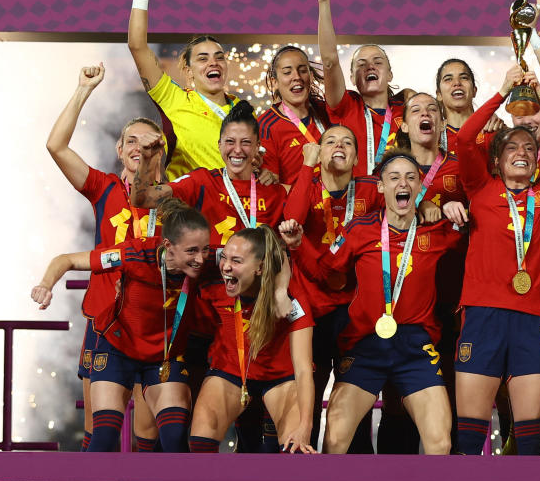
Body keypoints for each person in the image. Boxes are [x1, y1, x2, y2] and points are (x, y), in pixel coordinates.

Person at [452, 66, 540, 456]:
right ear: (496, 159)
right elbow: (463, 138)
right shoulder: (480, 187)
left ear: (538, 160)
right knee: (469, 440)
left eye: (529, 148)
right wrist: (502, 91)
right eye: (512, 147)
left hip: (532, 321)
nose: (522, 153)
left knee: (530, 442)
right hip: (482, 316)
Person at [306, 151, 462, 454]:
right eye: (394, 178)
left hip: (417, 346)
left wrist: (453, 209)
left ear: (419, 188)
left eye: (410, 177)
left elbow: (478, 240)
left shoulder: (437, 230)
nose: (402, 183)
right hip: (366, 343)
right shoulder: (357, 229)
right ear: (380, 187)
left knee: (441, 443)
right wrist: (298, 247)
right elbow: (326, 270)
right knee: (335, 439)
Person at [31, 197, 213, 452]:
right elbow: (67, 260)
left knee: (175, 438)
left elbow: (259, 261)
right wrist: (45, 285)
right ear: (168, 246)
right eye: (192, 251)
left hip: (163, 357)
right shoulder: (134, 254)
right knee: (104, 436)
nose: (201, 259)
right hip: (117, 349)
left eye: (205, 249)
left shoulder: (209, 263)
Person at [45, 62, 161, 451]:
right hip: (105, 323)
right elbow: (56, 147)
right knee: (99, 434)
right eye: (131, 140)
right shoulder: (104, 189)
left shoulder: (176, 197)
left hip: (152, 326)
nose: (139, 148)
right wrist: (83, 89)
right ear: (119, 149)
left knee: (150, 441)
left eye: (149, 142)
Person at [282, 125, 382, 450]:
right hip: (311, 311)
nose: (339, 146)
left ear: (356, 156)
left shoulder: (371, 190)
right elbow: (291, 221)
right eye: (330, 141)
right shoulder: (306, 185)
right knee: (306, 399)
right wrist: (306, 165)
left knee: (354, 407)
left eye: (347, 142)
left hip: (355, 311)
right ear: (320, 151)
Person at [188, 226, 316, 454]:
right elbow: (176, 253)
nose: (226, 266)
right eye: (225, 258)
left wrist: (305, 427)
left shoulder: (292, 299)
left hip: (280, 379)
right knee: (200, 443)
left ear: (260, 267)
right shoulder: (213, 275)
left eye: (236, 261)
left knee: (296, 452)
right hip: (231, 373)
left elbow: (304, 369)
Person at [126, 0, 242, 178]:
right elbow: (137, 46)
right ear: (188, 71)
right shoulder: (175, 100)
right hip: (189, 211)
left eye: (219, 57)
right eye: (202, 59)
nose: (213, 63)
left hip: (236, 211)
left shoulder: (244, 110)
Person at [132, 101, 288, 249]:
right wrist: (146, 159)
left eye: (246, 142)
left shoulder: (273, 191)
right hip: (212, 277)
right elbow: (142, 199)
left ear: (257, 147)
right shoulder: (202, 182)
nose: (238, 149)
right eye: (230, 142)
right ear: (219, 145)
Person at [311, 0, 411, 177]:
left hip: (398, 205)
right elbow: (329, 61)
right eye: (361, 64)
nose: (370, 67)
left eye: (377, 61)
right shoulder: (346, 106)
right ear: (352, 77)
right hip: (354, 205)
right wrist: (324, 2)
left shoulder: (408, 111)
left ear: (391, 74)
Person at [257, 45, 330, 186]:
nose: (297, 77)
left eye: (302, 71)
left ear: (310, 76)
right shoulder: (265, 126)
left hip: (337, 204)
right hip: (298, 206)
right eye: (287, 72)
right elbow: (273, 187)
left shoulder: (325, 111)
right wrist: (312, 198)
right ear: (274, 83)